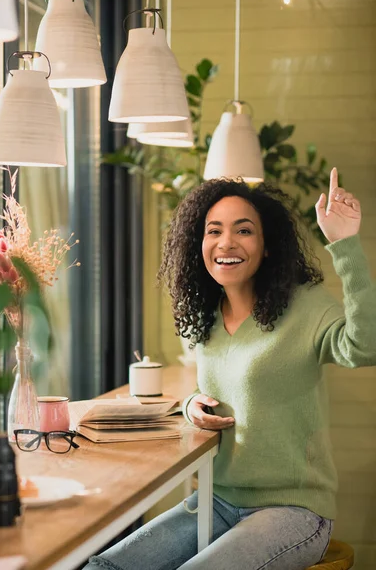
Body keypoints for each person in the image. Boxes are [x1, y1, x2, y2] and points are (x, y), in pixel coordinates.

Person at [85, 168, 376, 570]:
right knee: (103, 567)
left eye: (243, 230)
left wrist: (345, 245)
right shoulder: (204, 320)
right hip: (216, 500)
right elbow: (207, 390)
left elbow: (366, 347)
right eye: (213, 230)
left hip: (294, 510)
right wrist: (191, 406)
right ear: (198, 243)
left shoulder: (306, 306)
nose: (226, 242)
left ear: (267, 244)